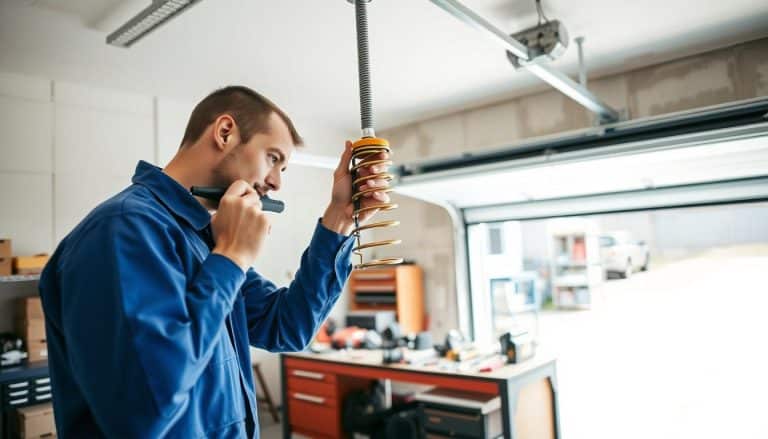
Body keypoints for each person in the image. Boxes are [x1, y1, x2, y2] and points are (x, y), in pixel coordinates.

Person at [38, 85, 390, 438]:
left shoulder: (204, 238)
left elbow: (287, 326)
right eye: (273, 158)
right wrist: (233, 257)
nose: (277, 182)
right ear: (225, 133)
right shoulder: (122, 229)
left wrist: (340, 218)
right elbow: (143, 411)